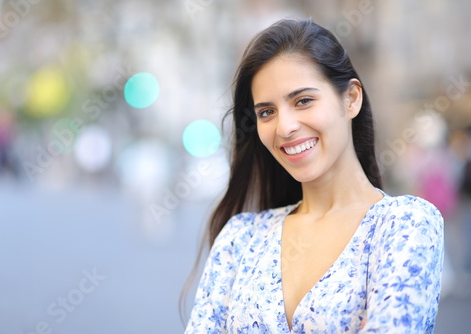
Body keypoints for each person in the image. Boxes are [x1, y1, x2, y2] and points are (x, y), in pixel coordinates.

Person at [184, 18, 444, 333]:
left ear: (351, 99)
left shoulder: (403, 225)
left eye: (303, 101)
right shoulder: (240, 238)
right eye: (267, 112)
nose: (285, 127)